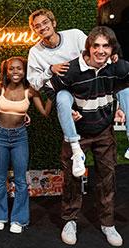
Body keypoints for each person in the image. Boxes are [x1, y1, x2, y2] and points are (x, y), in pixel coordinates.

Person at [50, 26, 129, 247]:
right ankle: (69, 221)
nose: (101, 51)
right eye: (96, 46)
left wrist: (121, 105)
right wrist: (69, 107)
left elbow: (124, 83)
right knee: (72, 179)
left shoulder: (115, 66)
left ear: (112, 48)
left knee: (107, 178)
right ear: (89, 47)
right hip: (78, 132)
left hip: (104, 130)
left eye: (106, 46)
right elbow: (50, 89)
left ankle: (108, 223)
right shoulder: (72, 69)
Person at [27, 8, 129, 175]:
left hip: (89, 88)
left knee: (125, 91)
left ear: (54, 23)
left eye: (45, 22)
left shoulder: (74, 35)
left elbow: (95, 51)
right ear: (34, 30)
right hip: (65, 93)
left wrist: (112, 56)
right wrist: (50, 70)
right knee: (61, 97)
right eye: (37, 26)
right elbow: (36, 84)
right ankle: (76, 150)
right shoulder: (36, 53)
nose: (42, 27)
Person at [0, 57, 51, 234]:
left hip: (19, 138)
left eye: (19, 69)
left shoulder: (29, 91)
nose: (15, 72)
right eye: (11, 69)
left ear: (25, 71)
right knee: (0, 178)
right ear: (6, 72)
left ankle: (19, 219)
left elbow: (45, 112)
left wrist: (56, 94)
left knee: (21, 180)